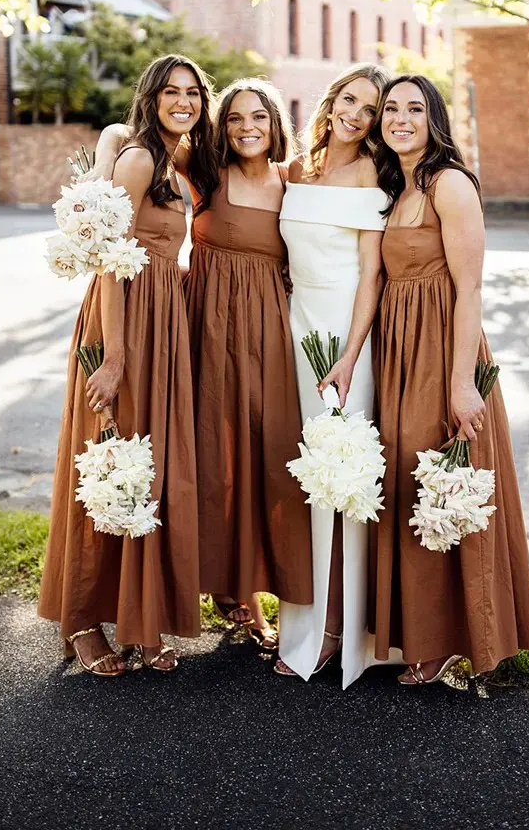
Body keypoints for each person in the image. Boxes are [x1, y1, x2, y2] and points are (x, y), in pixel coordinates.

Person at [38, 55, 214, 674]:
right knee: (107, 455)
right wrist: (113, 359)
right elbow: (111, 261)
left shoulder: (173, 158)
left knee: (149, 466)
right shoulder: (141, 158)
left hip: (163, 320)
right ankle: (81, 622)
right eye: (171, 92)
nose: (184, 102)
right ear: (153, 97)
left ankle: (141, 622)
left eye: (193, 93)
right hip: (125, 321)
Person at [371, 74, 529, 685]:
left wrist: (461, 382)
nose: (400, 118)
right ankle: (417, 631)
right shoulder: (394, 186)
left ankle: (453, 638)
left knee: (441, 484)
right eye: (391, 108)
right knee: (409, 485)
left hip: (443, 351)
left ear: (433, 118)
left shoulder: (450, 184)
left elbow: (469, 287)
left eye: (414, 109)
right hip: (398, 352)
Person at [275, 63, 402, 688]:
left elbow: (371, 275)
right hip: (295, 329)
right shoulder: (294, 170)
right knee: (305, 474)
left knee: (343, 475)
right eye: (351, 99)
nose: (357, 114)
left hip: (346, 335)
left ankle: (341, 630)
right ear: (333, 99)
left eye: (371, 109)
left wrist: (350, 356)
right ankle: (303, 619)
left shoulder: (373, 173)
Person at [185, 79, 313, 648]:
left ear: (275, 122)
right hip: (203, 328)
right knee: (214, 456)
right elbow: (126, 133)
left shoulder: (295, 181)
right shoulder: (205, 172)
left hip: (269, 332)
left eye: (257, 116)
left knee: (271, 460)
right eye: (233, 118)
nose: (244, 127)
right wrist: (105, 161)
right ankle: (235, 596)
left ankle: (285, 595)